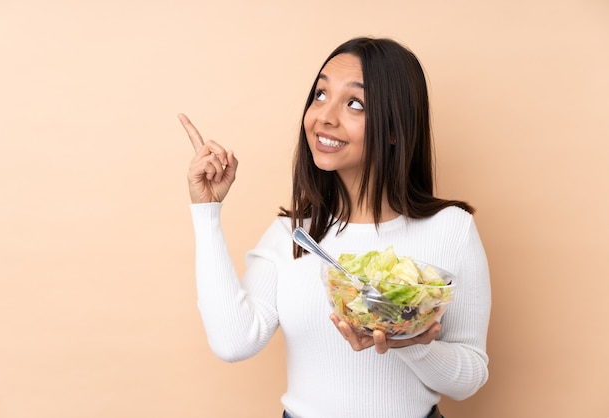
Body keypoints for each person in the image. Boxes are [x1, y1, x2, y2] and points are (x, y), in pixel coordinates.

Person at [179, 37, 491, 418]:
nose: (324, 116)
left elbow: (470, 376)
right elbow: (233, 342)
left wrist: (409, 340)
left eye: (354, 103)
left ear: (395, 128)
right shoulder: (291, 234)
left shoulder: (451, 229)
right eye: (320, 94)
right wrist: (206, 212)